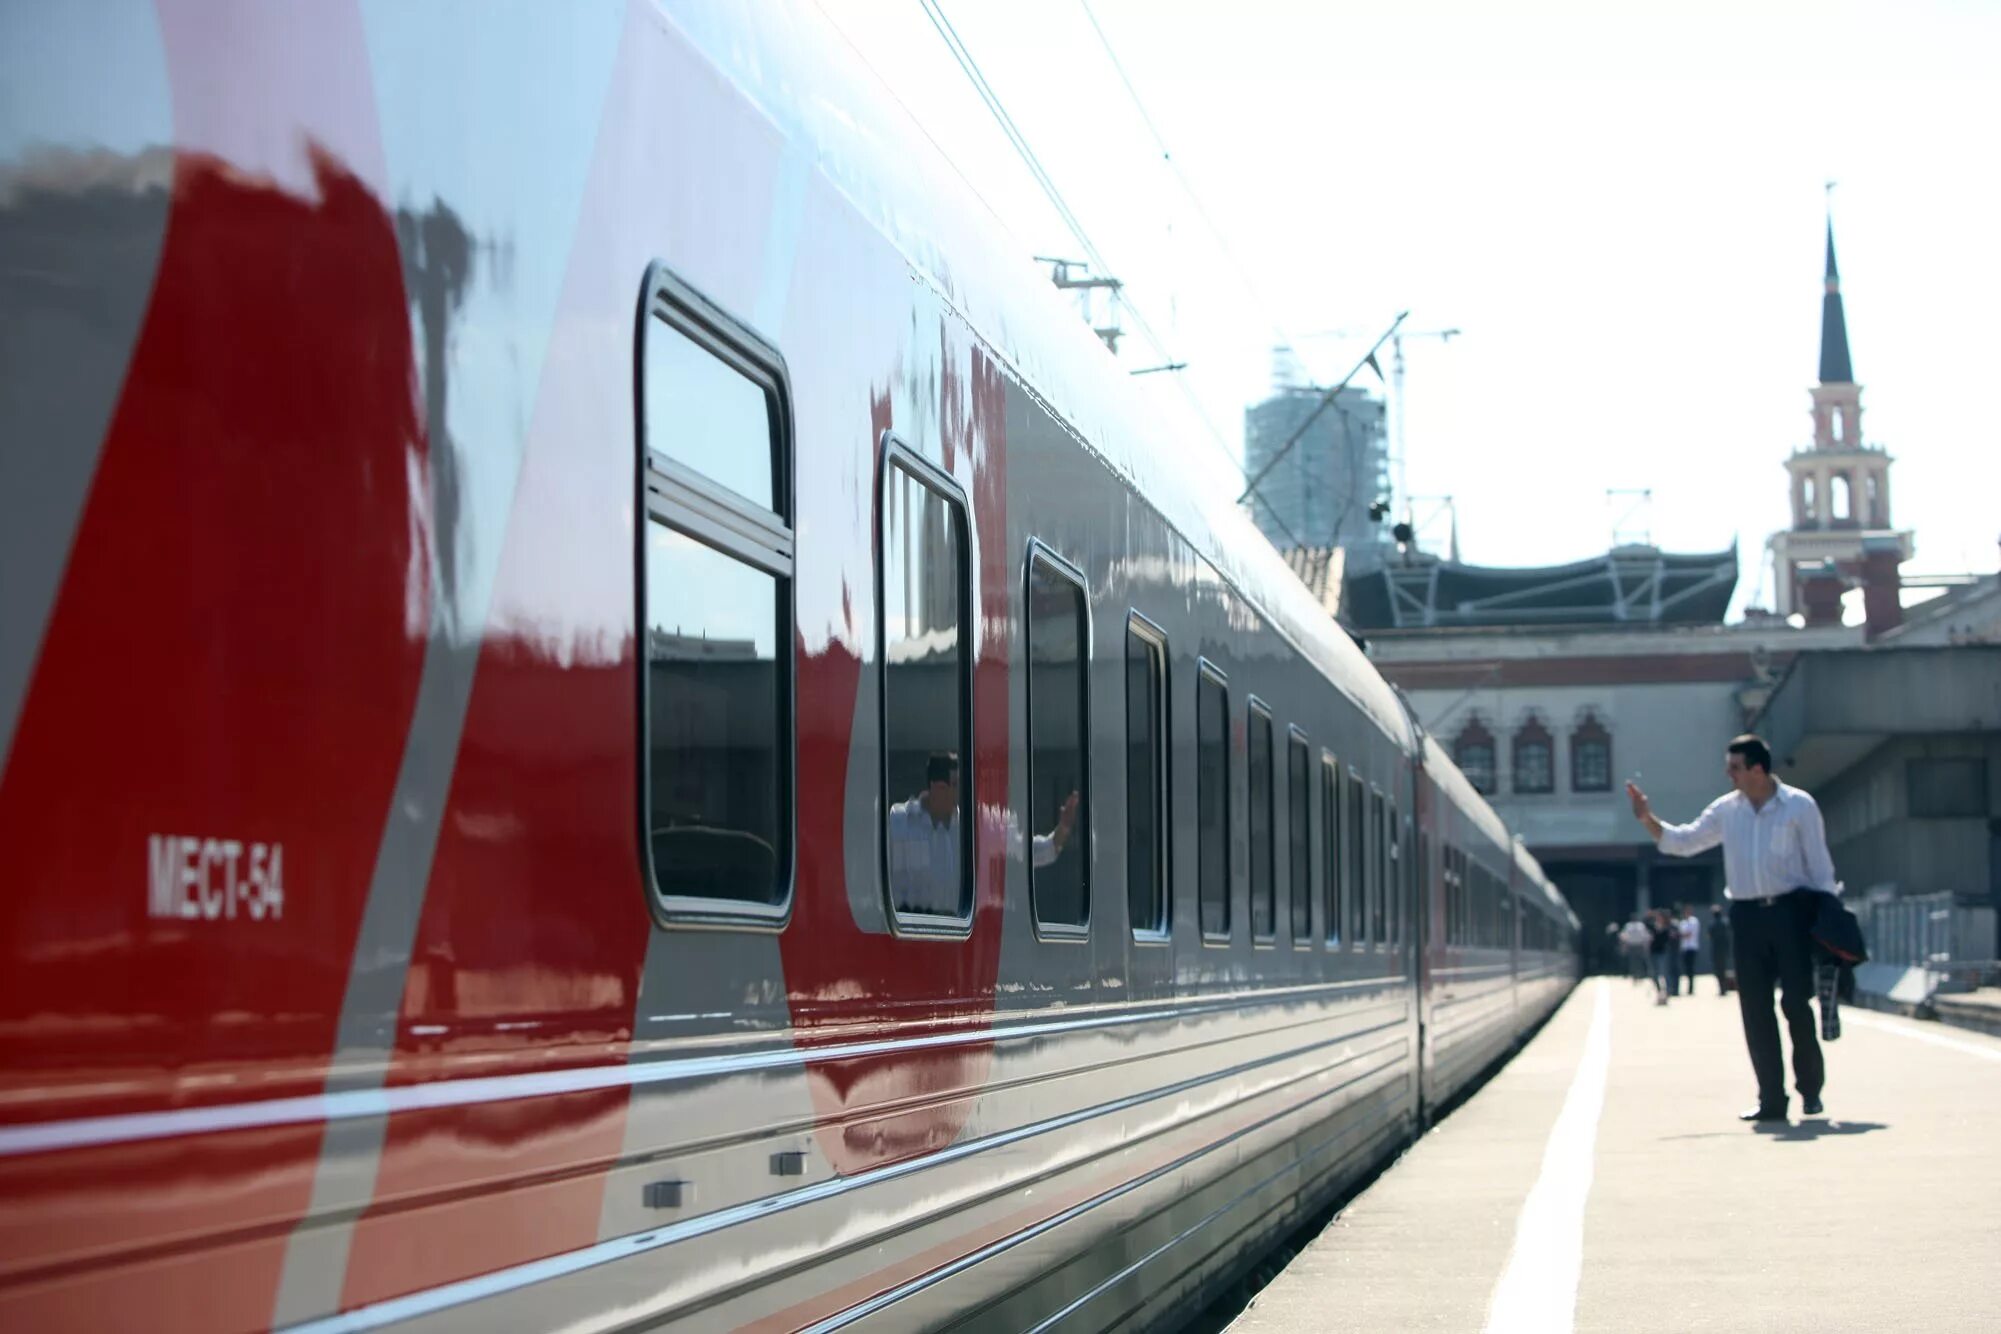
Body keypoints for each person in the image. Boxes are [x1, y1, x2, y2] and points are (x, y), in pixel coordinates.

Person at [1627, 734, 1838, 1122]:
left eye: (1735, 767)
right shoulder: (1728, 811)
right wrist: (1647, 819)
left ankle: (1810, 1089)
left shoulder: (1799, 806)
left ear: (1758, 768)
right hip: (1747, 917)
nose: (1729, 774)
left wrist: (1828, 920)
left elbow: (1820, 868)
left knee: (1796, 1004)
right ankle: (1771, 1099)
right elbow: (1685, 841)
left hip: (1792, 913)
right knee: (1755, 1009)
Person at [887, 752, 1079, 915]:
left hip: (956, 942)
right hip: (910, 940)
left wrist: (1063, 829)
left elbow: (1028, 851)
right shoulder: (900, 822)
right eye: (956, 784)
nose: (961, 791)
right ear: (938, 788)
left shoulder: (977, 829)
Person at [1647, 909, 1676, 1005]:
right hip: (1653, 952)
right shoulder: (1652, 927)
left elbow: (1668, 938)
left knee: (1664, 973)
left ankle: (1667, 992)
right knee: (1654, 974)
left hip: (1662, 952)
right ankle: (1659, 991)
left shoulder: (1666, 928)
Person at [1708, 903, 1733, 997]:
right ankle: (1724, 988)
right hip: (1723, 949)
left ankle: (1722, 988)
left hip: (1716, 950)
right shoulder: (1724, 923)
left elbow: (1709, 936)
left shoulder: (1712, 924)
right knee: (1723, 970)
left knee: (1718, 971)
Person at [1677, 904, 1701, 996]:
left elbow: (1688, 934)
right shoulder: (1682, 922)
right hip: (1684, 948)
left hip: (1692, 947)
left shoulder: (1694, 921)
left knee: (1691, 968)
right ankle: (1688, 988)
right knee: (1686, 969)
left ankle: (1691, 988)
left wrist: (1681, 935)